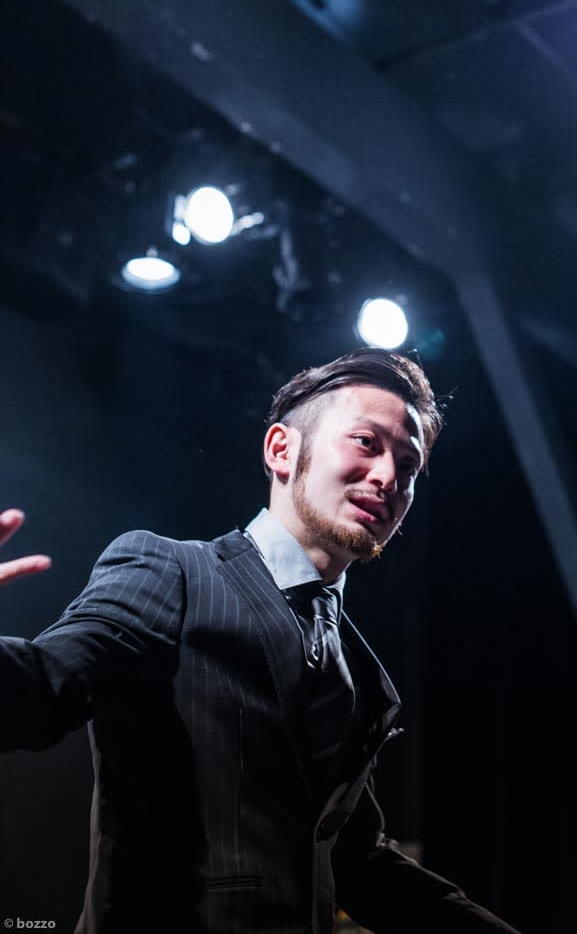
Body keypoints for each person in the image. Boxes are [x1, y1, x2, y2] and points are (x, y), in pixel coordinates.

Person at [1, 348, 521, 934]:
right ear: (281, 450)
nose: (388, 477)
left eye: (408, 465)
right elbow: (44, 687)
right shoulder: (171, 570)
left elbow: (357, 863)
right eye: (366, 443)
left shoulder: (358, 670)